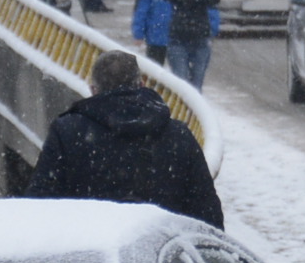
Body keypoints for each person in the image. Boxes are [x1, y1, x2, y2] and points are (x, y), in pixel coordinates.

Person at [26, 50, 225, 228]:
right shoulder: (177, 134)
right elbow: (207, 213)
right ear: (141, 85)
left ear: (93, 90)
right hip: (161, 255)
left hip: (89, 253)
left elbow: (39, 203)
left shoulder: (67, 132)